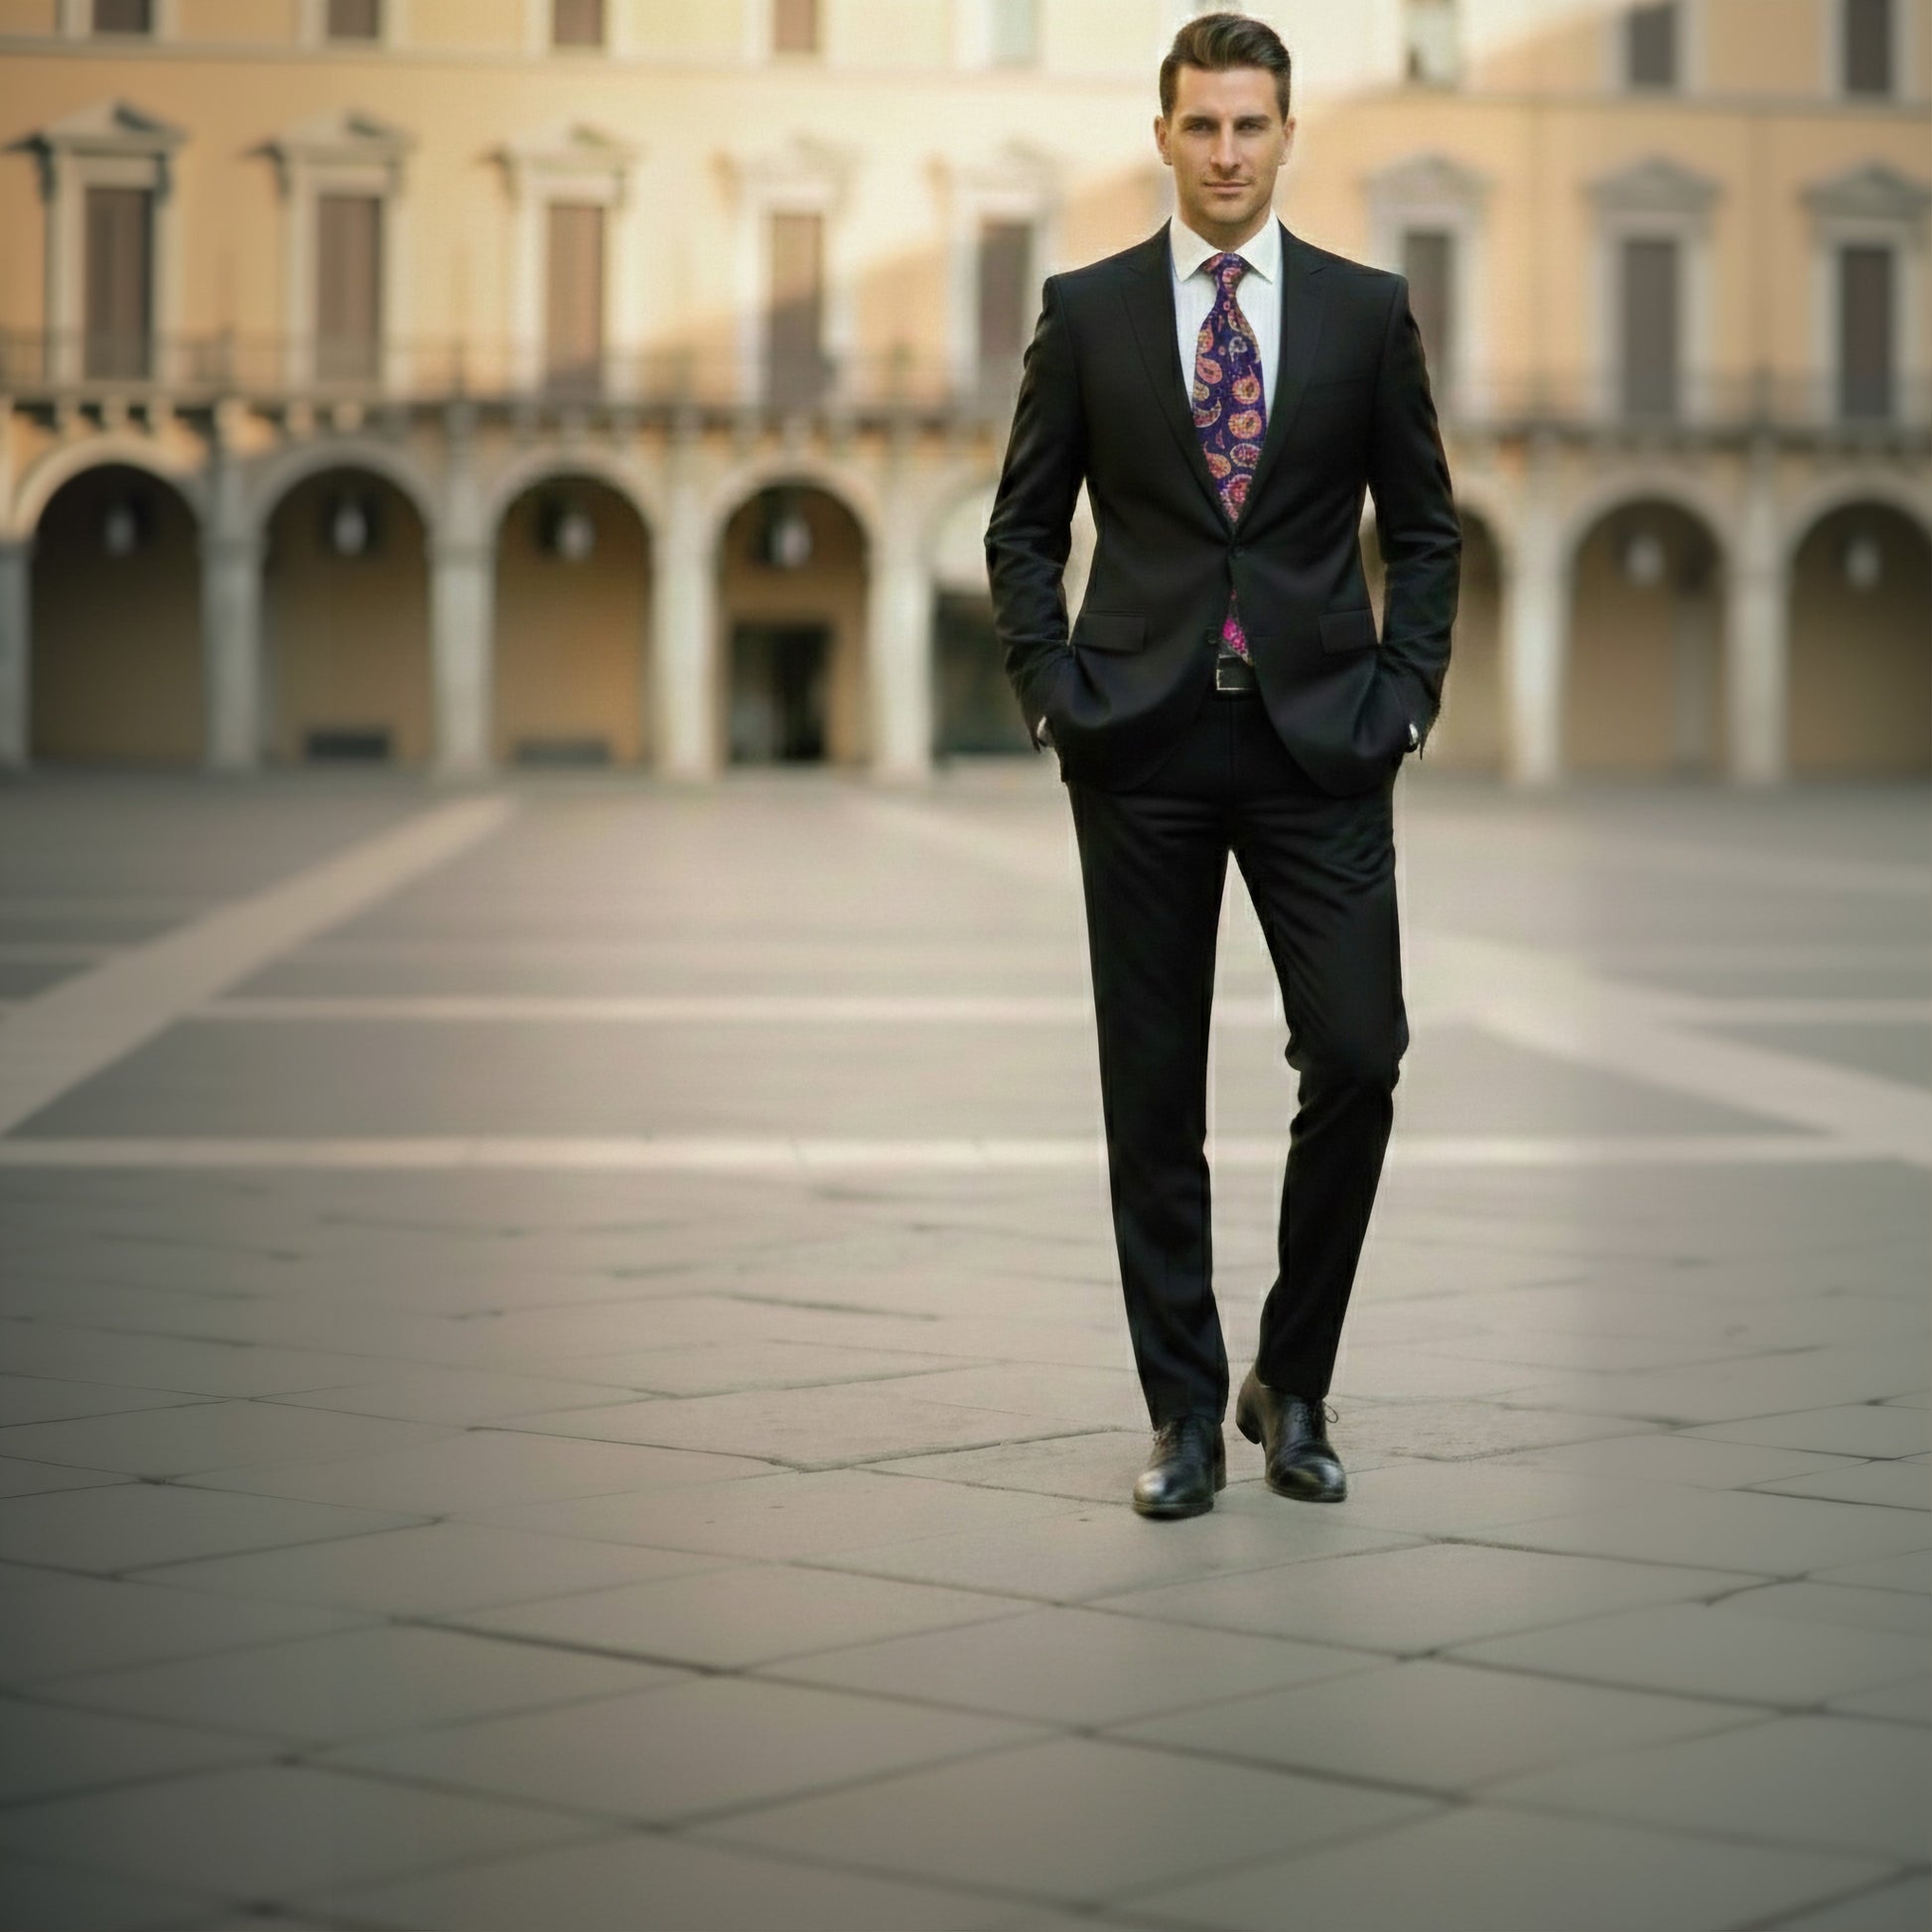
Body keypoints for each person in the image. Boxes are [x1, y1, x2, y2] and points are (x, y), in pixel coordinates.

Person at [984, 11, 1459, 1519]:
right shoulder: (1088, 311)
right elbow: (1021, 526)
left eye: (1251, 124)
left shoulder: (1366, 313)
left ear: (1287, 134)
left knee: (1361, 1056)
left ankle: (1291, 1379)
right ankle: (1183, 1413)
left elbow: (1426, 531)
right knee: (1151, 1091)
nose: (1227, 151)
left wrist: (1404, 699)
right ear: (1163, 137)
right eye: (1202, 124)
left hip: (1324, 741)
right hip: (1141, 741)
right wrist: (1053, 695)